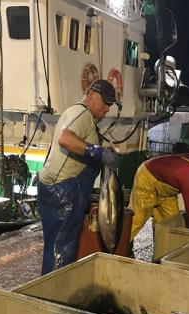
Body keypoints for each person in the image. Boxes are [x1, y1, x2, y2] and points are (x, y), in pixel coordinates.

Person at [37, 79, 120, 275]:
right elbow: (65, 139)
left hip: (53, 187)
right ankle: (54, 295)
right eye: (105, 103)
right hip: (64, 191)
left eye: (110, 105)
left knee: (54, 245)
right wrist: (99, 153)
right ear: (91, 94)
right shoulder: (82, 113)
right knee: (62, 247)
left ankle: (46, 287)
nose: (107, 109)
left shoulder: (74, 113)